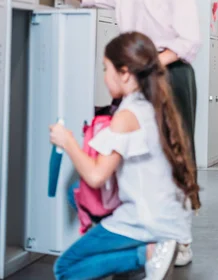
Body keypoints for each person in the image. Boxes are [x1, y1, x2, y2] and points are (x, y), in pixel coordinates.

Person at [40, 0, 200, 266]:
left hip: (169, 76)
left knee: (176, 155)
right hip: (137, 77)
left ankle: (180, 239)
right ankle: (140, 230)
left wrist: (144, 67)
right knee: (137, 157)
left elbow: (188, 42)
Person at [49, 32, 200, 280]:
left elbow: (97, 176)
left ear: (125, 73)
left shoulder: (126, 116)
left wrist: (68, 142)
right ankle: (142, 254)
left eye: (106, 69)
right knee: (75, 191)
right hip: (167, 214)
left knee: (66, 267)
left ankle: (145, 254)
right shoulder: (152, 103)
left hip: (145, 219)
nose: (105, 77)